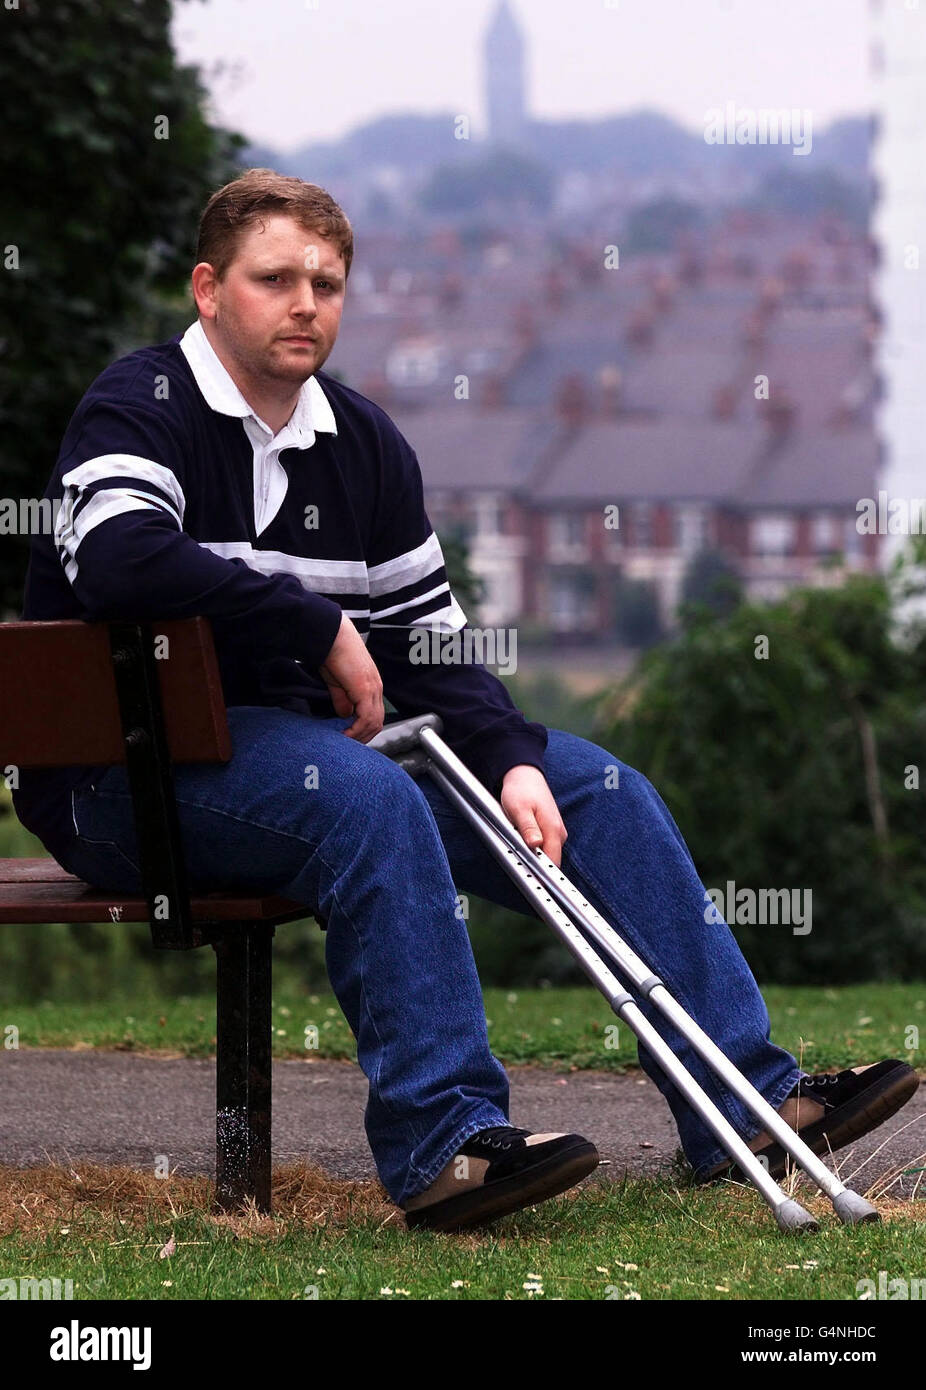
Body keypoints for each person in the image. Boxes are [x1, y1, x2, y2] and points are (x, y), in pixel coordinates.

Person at [12, 170, 918, 1233]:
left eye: (327, 282)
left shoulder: (361, 444)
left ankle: (746, 1102)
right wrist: (314, 624)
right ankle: (444, 1145)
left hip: (293, 760)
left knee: (599, 788)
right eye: (275, 279)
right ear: (210, 289)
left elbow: (432, 647)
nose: (306, 302)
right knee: (368, 800)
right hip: (132, 781)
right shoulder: (141, 404)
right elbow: (121, 560)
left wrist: (510, 754)